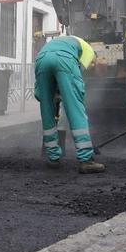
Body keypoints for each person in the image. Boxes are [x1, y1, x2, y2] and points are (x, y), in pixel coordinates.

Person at [34, 35, 106, 174]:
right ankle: (86, 159)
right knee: (75, 108)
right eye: (92, 63)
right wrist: (68, 96)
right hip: (63, 59)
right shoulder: (89, 51)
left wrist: (54, 98)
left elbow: (39, 94)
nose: (90, 66)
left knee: (46, 108)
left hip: (41, 59)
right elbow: (76, 88)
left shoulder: (65, 41)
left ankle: (53, 157)